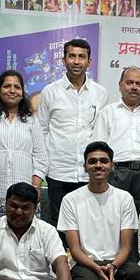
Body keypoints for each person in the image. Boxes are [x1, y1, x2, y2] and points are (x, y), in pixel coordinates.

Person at [57, 141, 140, 280]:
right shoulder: (71, 200)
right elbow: (75, 249)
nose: (98, 165)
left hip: (115, 262)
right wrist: (96, 268)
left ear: (112, 166)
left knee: (137, 275)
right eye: (92, 161)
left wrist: (112, 266)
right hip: (85, 263)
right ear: (85, 167)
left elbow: (126, 247)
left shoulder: (124, 198)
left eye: (104, 161)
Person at [0, 70, 46, 239]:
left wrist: (35, 186)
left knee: (25, 240)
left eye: (17, 87)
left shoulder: (32, 120)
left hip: (25, 190)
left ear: (22, 92)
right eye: (7, 86)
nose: (12, 90)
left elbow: (41, 156)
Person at [39, 39, 109, 225]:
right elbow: (42, 132)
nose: (76, 61)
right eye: (72, 56)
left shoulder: (100, 93)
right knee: (60, 225)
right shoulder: (50, 92)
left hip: (90, 173)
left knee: (90, 224)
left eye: (81, 57)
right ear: (63, 60)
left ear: (89, 62)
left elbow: (101, 133)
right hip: (58, 172)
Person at [92, 67, 140, 212]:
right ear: (120, 85)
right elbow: (98, 150)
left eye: (139, 84)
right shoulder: (107, 112)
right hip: (117, 175)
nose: (134, 87)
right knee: (114, 217)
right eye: (129, 82)